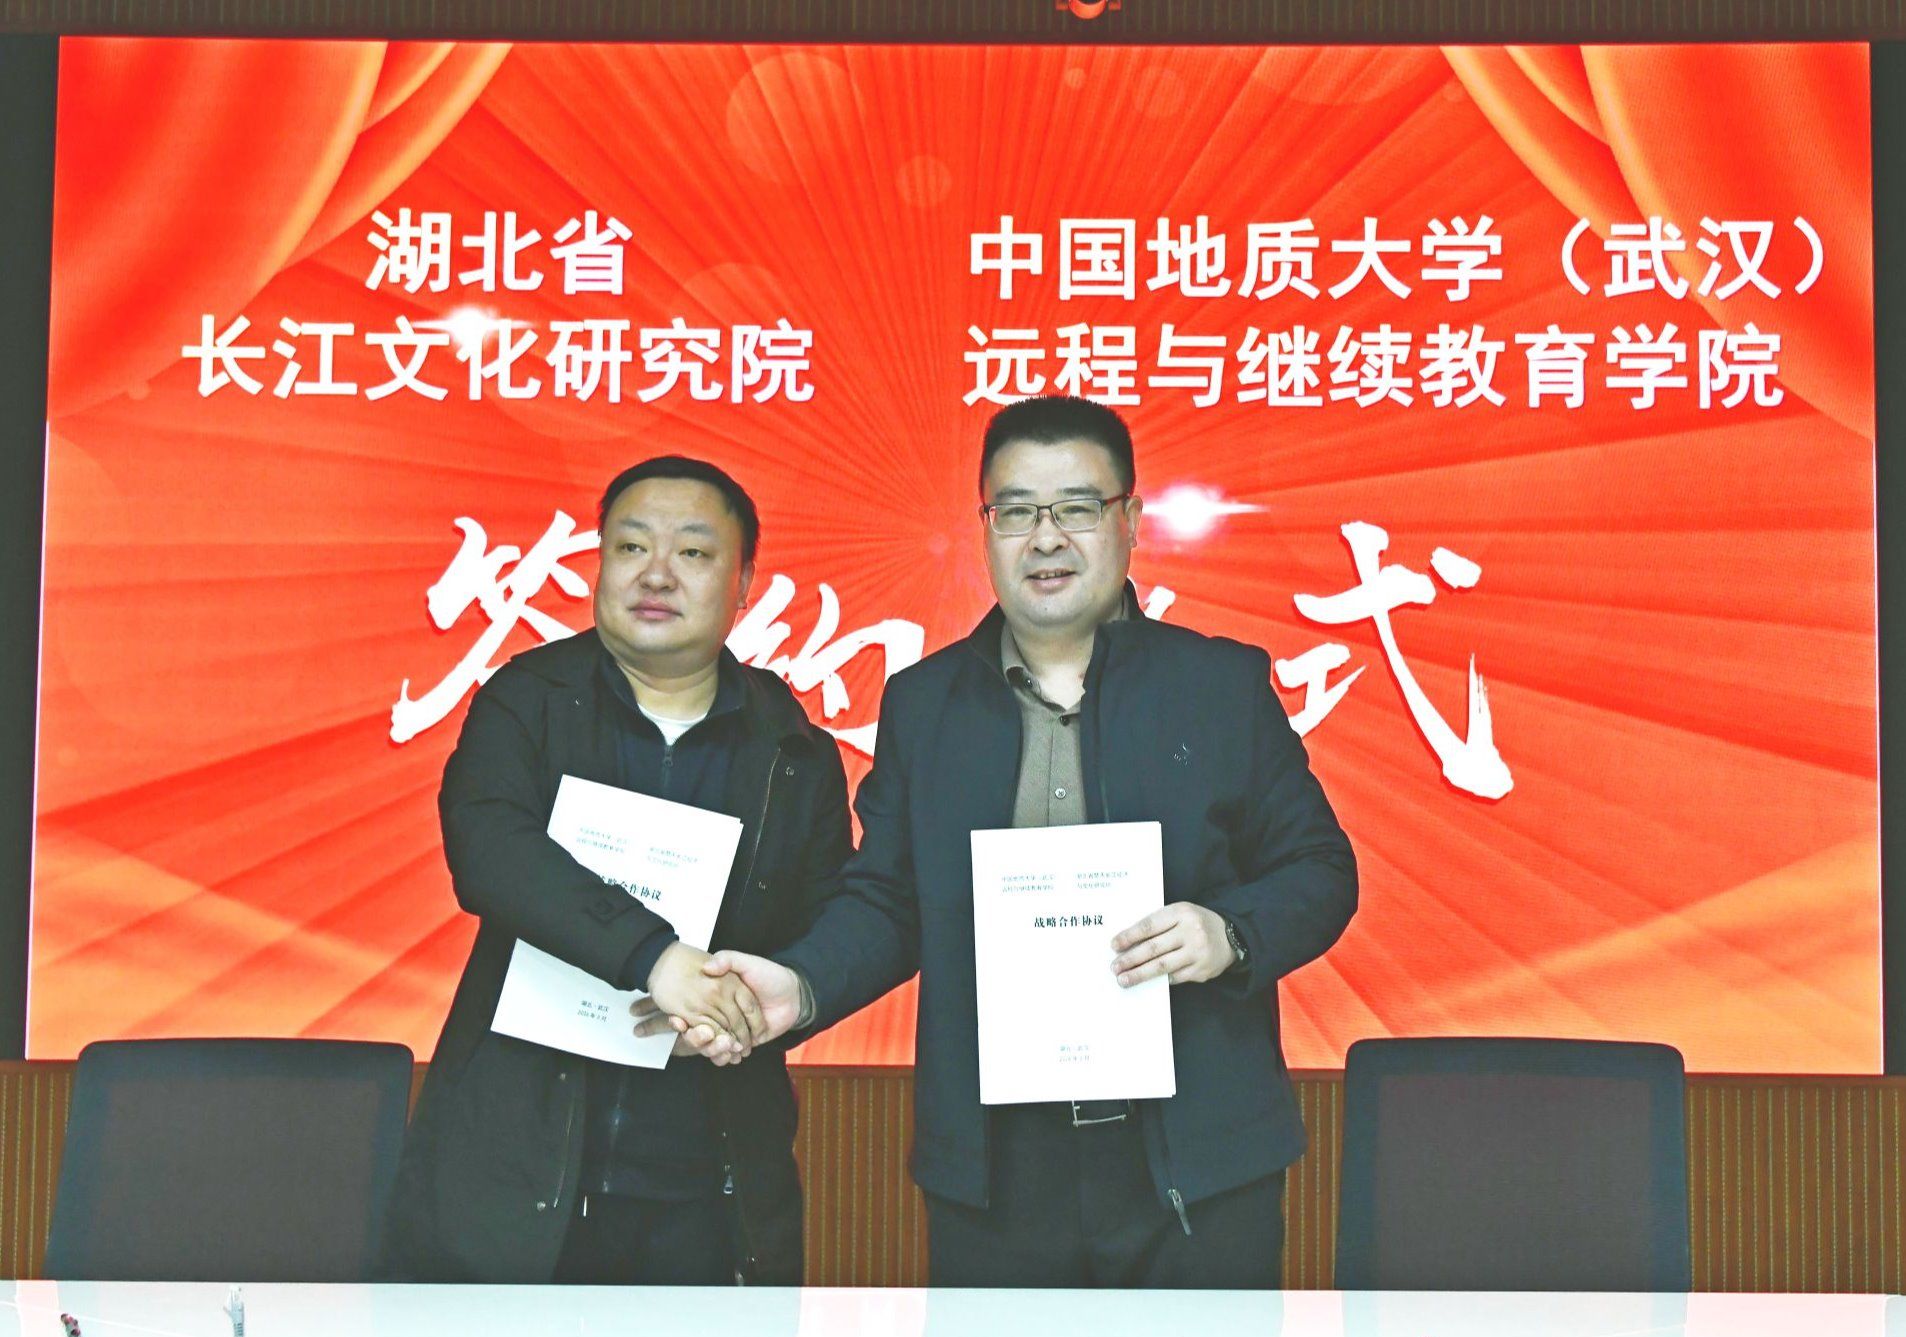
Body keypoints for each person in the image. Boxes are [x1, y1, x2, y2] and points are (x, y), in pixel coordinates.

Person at [656, 395, 1358, 1288]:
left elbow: (1320, 870)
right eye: (1017, 511)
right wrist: (799, 984)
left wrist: (1229, 933)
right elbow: (888, 899)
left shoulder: (1219, 685)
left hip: (1198, 1156)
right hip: (997, 1164)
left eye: (1077, 508)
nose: (1046, 537)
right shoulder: (925, 704)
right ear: (986, 529)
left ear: (1131, 521)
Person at [383, 456, 851, 1286]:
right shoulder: (528, 699)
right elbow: (489, 849)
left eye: (694, 552)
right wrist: (655, 958)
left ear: (744, 583)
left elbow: (827, 926)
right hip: (514, 1175)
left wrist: (747, 1011)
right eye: (631, 546)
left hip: (710, 1187)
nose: (656, 573)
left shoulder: (792, 750)